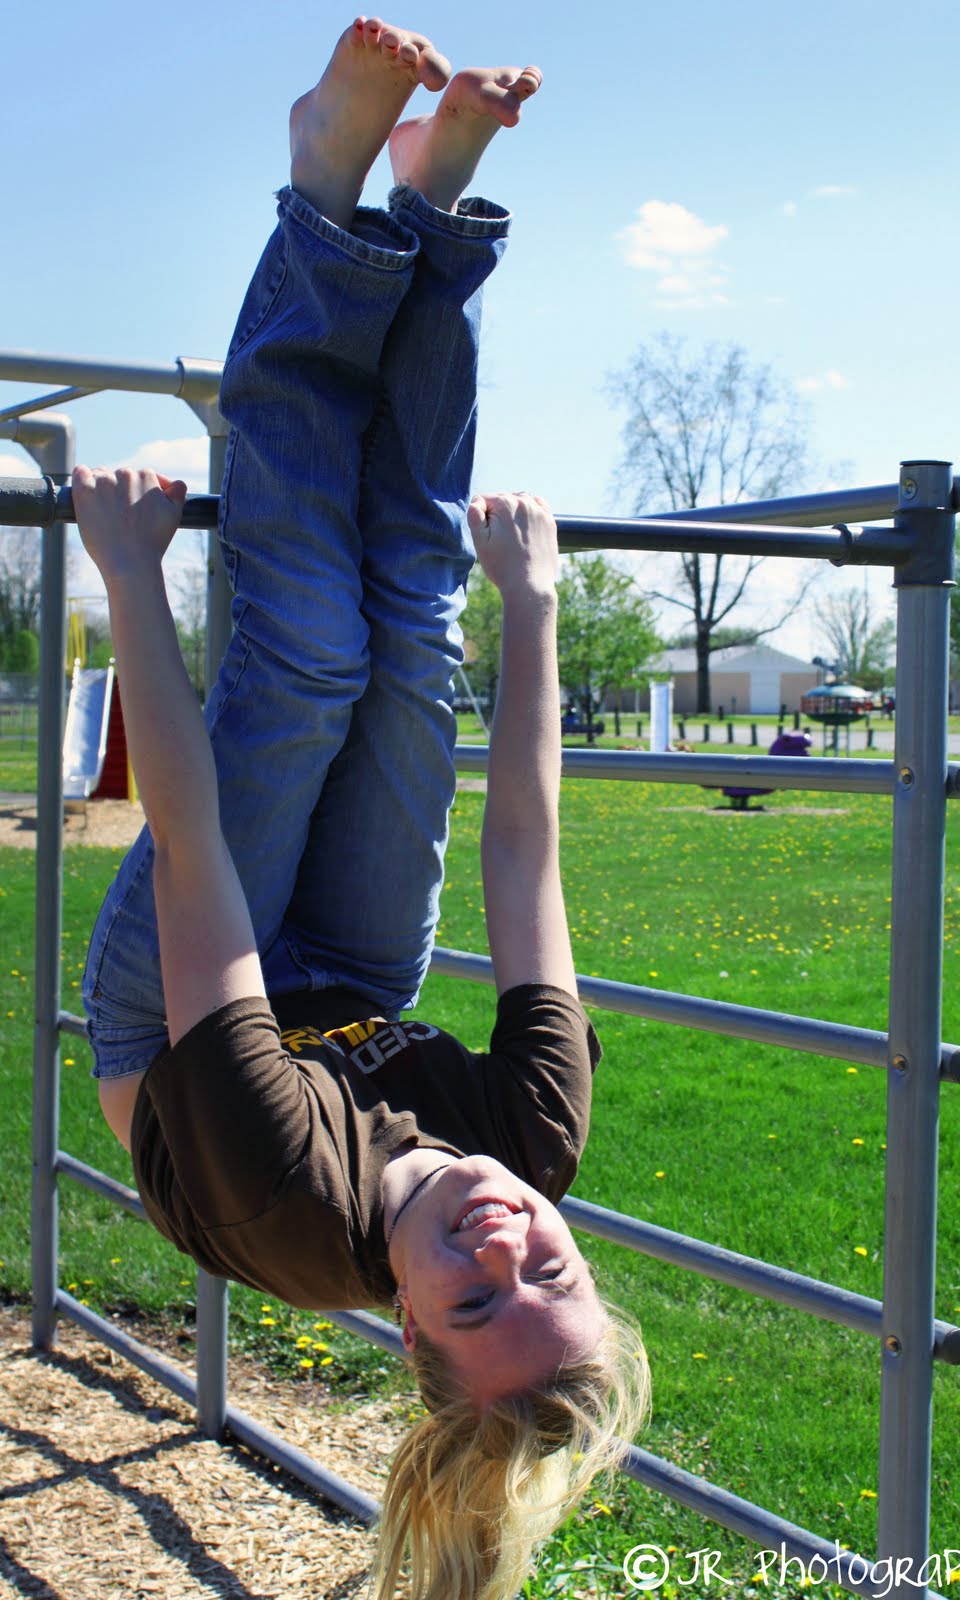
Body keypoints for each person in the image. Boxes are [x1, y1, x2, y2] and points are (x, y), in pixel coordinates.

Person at [74, 18, 649, 1600]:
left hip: (180, 1009)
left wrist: (130, 576)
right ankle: (437, 217)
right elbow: (524, 853)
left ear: (399, 1320)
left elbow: (191, 864)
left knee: (310, 653)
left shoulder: (291, 1201)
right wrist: (529, 602)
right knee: (414, 623)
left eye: (473, 1302)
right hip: (342, 976)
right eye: (554, 1266)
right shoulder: (529, 1145)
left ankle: (323, 190)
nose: (502, 1236)